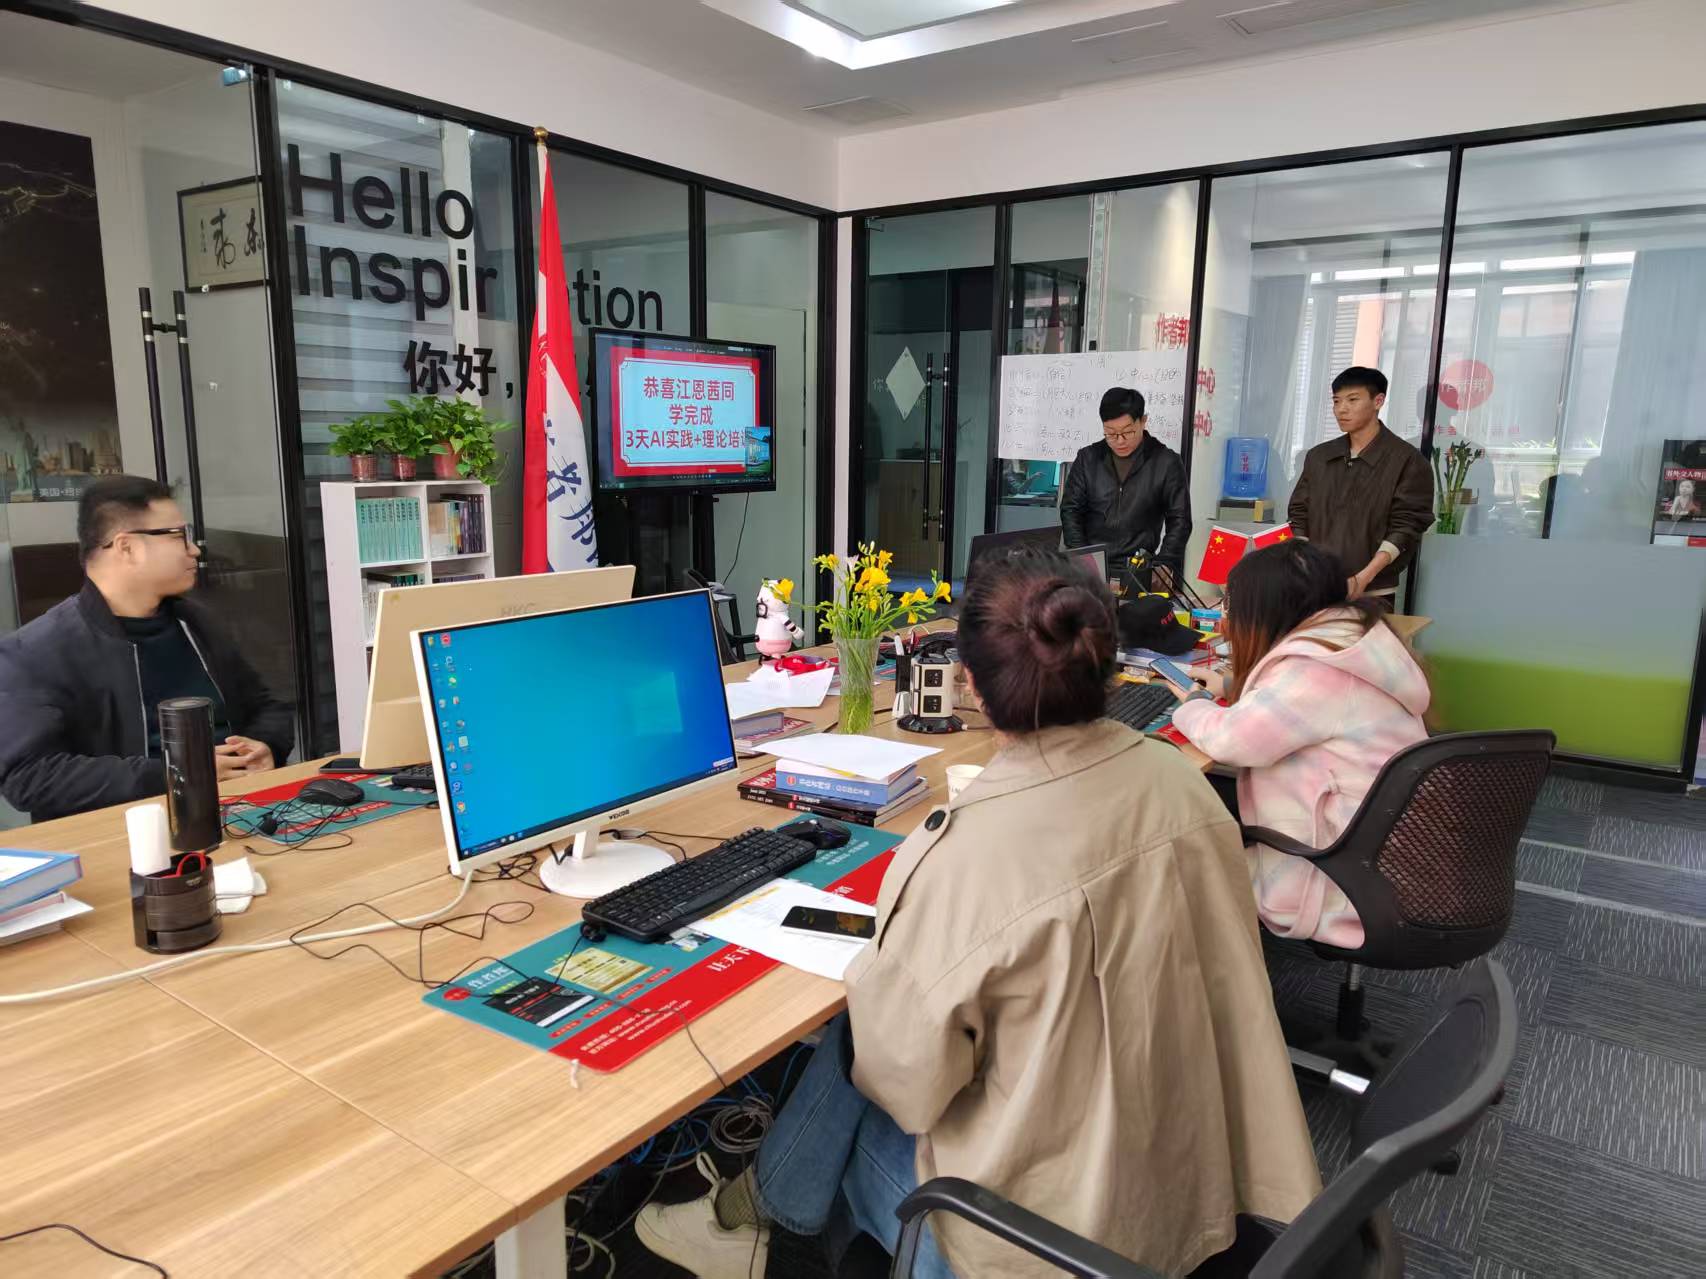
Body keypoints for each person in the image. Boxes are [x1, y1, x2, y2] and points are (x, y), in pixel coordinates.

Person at [634, 553, 1319, 1279]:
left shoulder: (965, 856)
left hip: (1048, 1242)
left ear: (971, 685)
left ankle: (755, 1220)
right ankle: (750, 1213)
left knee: (854, 1046)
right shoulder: (1181, 780)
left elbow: (907, 1089)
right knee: (882, 1027)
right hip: (1191, 1174)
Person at [1165, 540, 1429, 949]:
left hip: (1345, 878)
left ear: (1269, 609)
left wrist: (1194, 703)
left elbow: (1230, 740)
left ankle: (1213, 972)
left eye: (1230, 605)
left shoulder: (1313, 670)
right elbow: (1313, 705)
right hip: (1385, 853)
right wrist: (1233, 686)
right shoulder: (1352, 640)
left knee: (1172, 845)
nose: (1226, 617)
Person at [0, 475, 294, 822]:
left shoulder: (196, 622)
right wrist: (176, 774)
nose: (195, 550)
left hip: (239, 812)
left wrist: (265, 745)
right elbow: (31, 776)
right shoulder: (34, 651)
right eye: (179, 536)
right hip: (123, 830)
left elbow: (266, 706)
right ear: (127, 547)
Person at [1287, 367, 1433, 610]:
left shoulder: (1407, 460)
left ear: (1378, 401)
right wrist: (1304, 564)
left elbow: (1406, 526)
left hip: (1373, 591)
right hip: (1315, 586)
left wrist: (1363, 578)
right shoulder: (1319, 456)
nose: (1341, 409)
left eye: (1352, 400)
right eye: (1336, 401)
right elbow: (1298, 512)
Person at [1061, 386, 1191, 593]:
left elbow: (1180, 520)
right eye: (1111, 434)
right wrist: (1084, 559)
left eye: (1128, 432)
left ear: (1143, 421)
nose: (1120, 441)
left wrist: (1165, 562)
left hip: (1139, 570)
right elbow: (1071, 511)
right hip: (1092, 571)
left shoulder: (1166, 462)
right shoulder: (1088, 458)